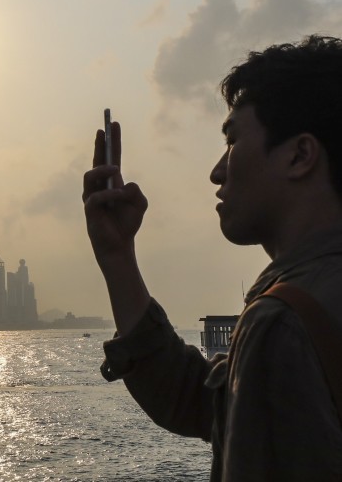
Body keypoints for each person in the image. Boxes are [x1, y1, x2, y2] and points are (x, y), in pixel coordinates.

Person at [83, 35, 342, 480]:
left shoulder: (282, 323)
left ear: (300, 155)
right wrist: (118, 255)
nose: (217, 171)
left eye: (233, 141)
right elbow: (205, 403)